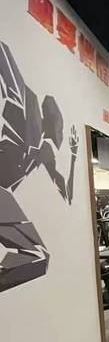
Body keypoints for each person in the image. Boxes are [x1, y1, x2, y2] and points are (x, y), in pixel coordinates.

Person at [0, 41, 78, 292]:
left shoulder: (43, 152)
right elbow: (7, 66)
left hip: (2, 195)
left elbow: (67, 192)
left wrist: (74, 156)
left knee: (36, 257)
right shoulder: (27, 107)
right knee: (34, 256)